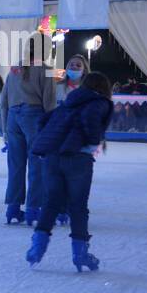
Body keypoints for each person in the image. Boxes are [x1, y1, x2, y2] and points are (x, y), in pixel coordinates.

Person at [25, 72, 114, 273]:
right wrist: (92, 142)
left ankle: (37, 248)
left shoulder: (68, 102)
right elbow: (90, 120)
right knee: (78, 206)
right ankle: (80, 253)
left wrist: (50, 141)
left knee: (51, 203)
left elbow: (43, 121)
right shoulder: (100, 102)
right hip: (77, 159)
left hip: (52, 158)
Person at [0, 52, 57, 225]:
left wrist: (5, 129)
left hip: (12, 118)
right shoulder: (46, 69)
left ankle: (13, 208)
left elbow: (4, 100)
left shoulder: (13, 70)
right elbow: (49, 99)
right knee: (36, 164)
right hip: (34, 116)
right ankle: (33, 209)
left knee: (15, 165)